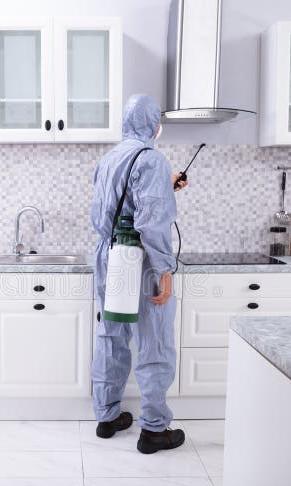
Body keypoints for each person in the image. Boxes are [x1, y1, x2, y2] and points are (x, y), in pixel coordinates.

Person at [90, 93, 188, 454]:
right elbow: (152, 222)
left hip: (109, 254)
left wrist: (166, 183)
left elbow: (120, 204)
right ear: (154, 124)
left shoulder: (110, 158)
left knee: (111, 334)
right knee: (154, 340)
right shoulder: (152, 159)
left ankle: (107, 416)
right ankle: (154, 430)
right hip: (141, 258)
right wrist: (165, 269)